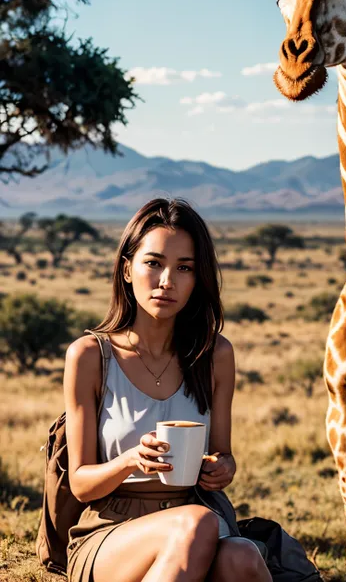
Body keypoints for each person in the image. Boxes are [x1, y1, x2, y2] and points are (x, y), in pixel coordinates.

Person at [64, 198, 272, 582]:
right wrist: (130, 460)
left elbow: (223, 456)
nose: (167, 281)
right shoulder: (90, 355)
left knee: (241, 556)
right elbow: (79, 484)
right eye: (154, 263)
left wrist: (222, 468)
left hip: (198, 517)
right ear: (127, 269)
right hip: (110, 531)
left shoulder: (215, 355)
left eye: (184, 268)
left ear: (198, 278)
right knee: (196, 525)